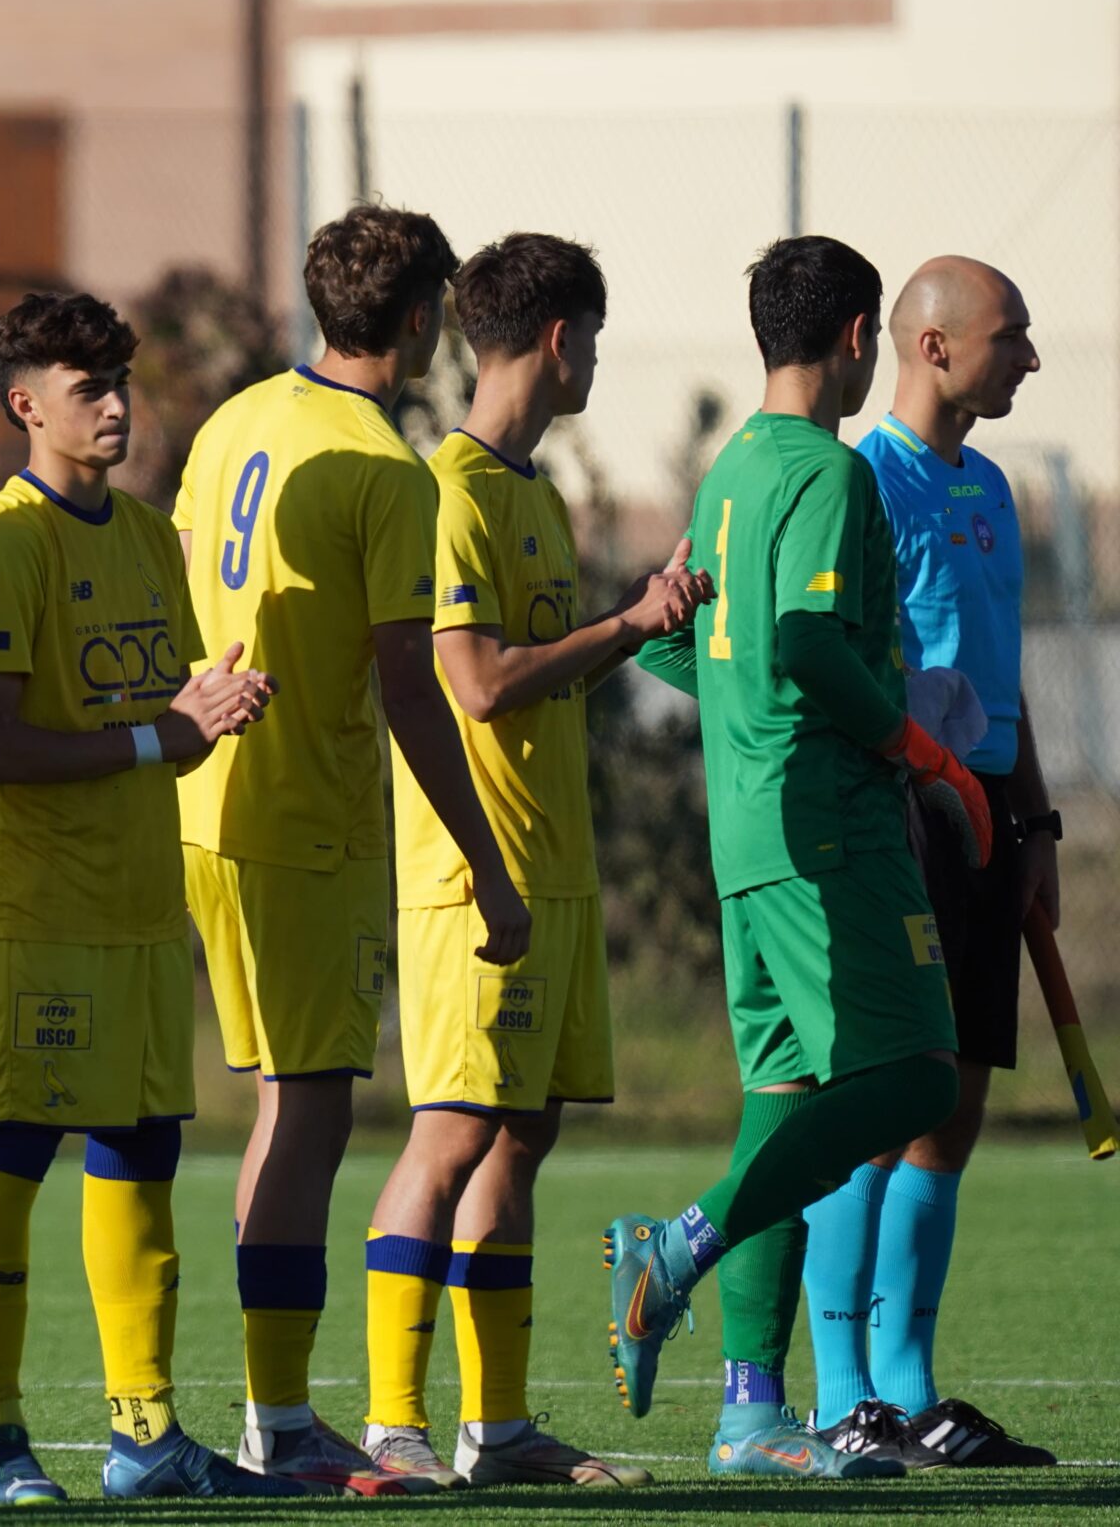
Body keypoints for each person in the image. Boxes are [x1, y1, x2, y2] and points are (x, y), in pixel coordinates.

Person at [172, 203, 526, 1493]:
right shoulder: (386, 467)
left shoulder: (234, 422)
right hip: (298, 817)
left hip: (201, 801)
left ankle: (273, 1411)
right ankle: (279, 1422)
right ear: (425, 318)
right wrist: (488, 864)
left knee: (280, 1107)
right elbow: (411, 689)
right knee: (310, 1109)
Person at [615, 236, 982, 1479]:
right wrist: (922, 758)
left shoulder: (730, 472)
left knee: (781, 1102)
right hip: (827, 829)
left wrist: (742, 712)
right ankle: (676, 1245)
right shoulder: (827, 472)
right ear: (858, 334)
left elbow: (680, 640)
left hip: (746, 829)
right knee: (920, 1080)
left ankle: (748, 1413)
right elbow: (809, 647)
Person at [0, 293, 297, 1505]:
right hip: (43, 914)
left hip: (147, 907)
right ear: (23, 405)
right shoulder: (4, 545)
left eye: (119, 383)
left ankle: (143, 1434)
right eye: (84, 386)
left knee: (142, 1154)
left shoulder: (149, 539)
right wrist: (162, 735)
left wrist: (207, 714)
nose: (113, 405)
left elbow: (167, 725)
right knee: (15, 1153)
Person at [363, 235, 693, 1490]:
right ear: (560, 338)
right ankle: (393, 1423)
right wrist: (624, 623)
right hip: (471, 877)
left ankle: (494, 1432)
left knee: (521, 1137)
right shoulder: (447, 491)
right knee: (450, 1134)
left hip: (553, 868)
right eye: (594, 339)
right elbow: (476, 685)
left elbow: (537, 662)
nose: (596, 360)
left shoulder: (533, 494)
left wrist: (629, 621)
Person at [802, 255, 1057, 1468]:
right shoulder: (863, 481)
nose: (1031, 358)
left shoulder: (995, 488)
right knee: (878, 1105)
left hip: (992, 822)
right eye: (1012, 336)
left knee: (950, 1114)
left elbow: (999, 680)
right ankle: (843, 1390)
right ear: (936, 347)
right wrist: (905, 803)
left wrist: (1037, 829)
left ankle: (911, 1388)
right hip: (905, 820)